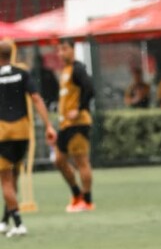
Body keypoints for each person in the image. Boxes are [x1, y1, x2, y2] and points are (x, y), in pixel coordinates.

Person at [0, 38, 57, 237]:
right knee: (14, 176)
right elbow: (36, 98)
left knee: (5, 181)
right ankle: (4, 221)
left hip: (3, 133)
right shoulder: (22, 73)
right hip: (22, 132)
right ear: (11, 54)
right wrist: (48, 125)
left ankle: (18, 224)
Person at [54, 38, 96, 212]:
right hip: (65, 124)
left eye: (64, 49)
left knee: (81, 162)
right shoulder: (65, 70)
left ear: (72, 50)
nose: (61, 53)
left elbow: (90, 89)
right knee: (59, 160)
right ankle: (76, 194)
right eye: (59, 50)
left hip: (78, 123)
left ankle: (87, 200)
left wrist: (79, 109)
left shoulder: (78, 69)